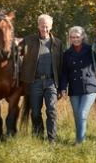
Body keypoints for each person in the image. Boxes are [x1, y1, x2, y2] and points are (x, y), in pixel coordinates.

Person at [19, 14, 63, 142]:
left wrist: (61, 87)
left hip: (51, 82)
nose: (45, 29)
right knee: (36, 113)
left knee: (52, 111)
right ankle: (38, 138)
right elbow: (16, 50)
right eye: (42, 26)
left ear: (51, 26)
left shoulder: (57, 43)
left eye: (47, 26)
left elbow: (60, 65)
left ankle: (52, 140)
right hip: (35, 82)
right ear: (38, 26)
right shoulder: (29, 40)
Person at [58, 26, 96, 144]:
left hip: (90, 87)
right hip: (74, 88)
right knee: (77, 116)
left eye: (77, 37)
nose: (75, 39)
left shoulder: (91, 50)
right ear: (70, 38)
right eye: (72, 37)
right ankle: (80, 139)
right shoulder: (67, 54)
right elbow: (64, 73)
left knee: (82, 114)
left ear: (83, 37)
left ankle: (79, 142)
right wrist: (63, 88)